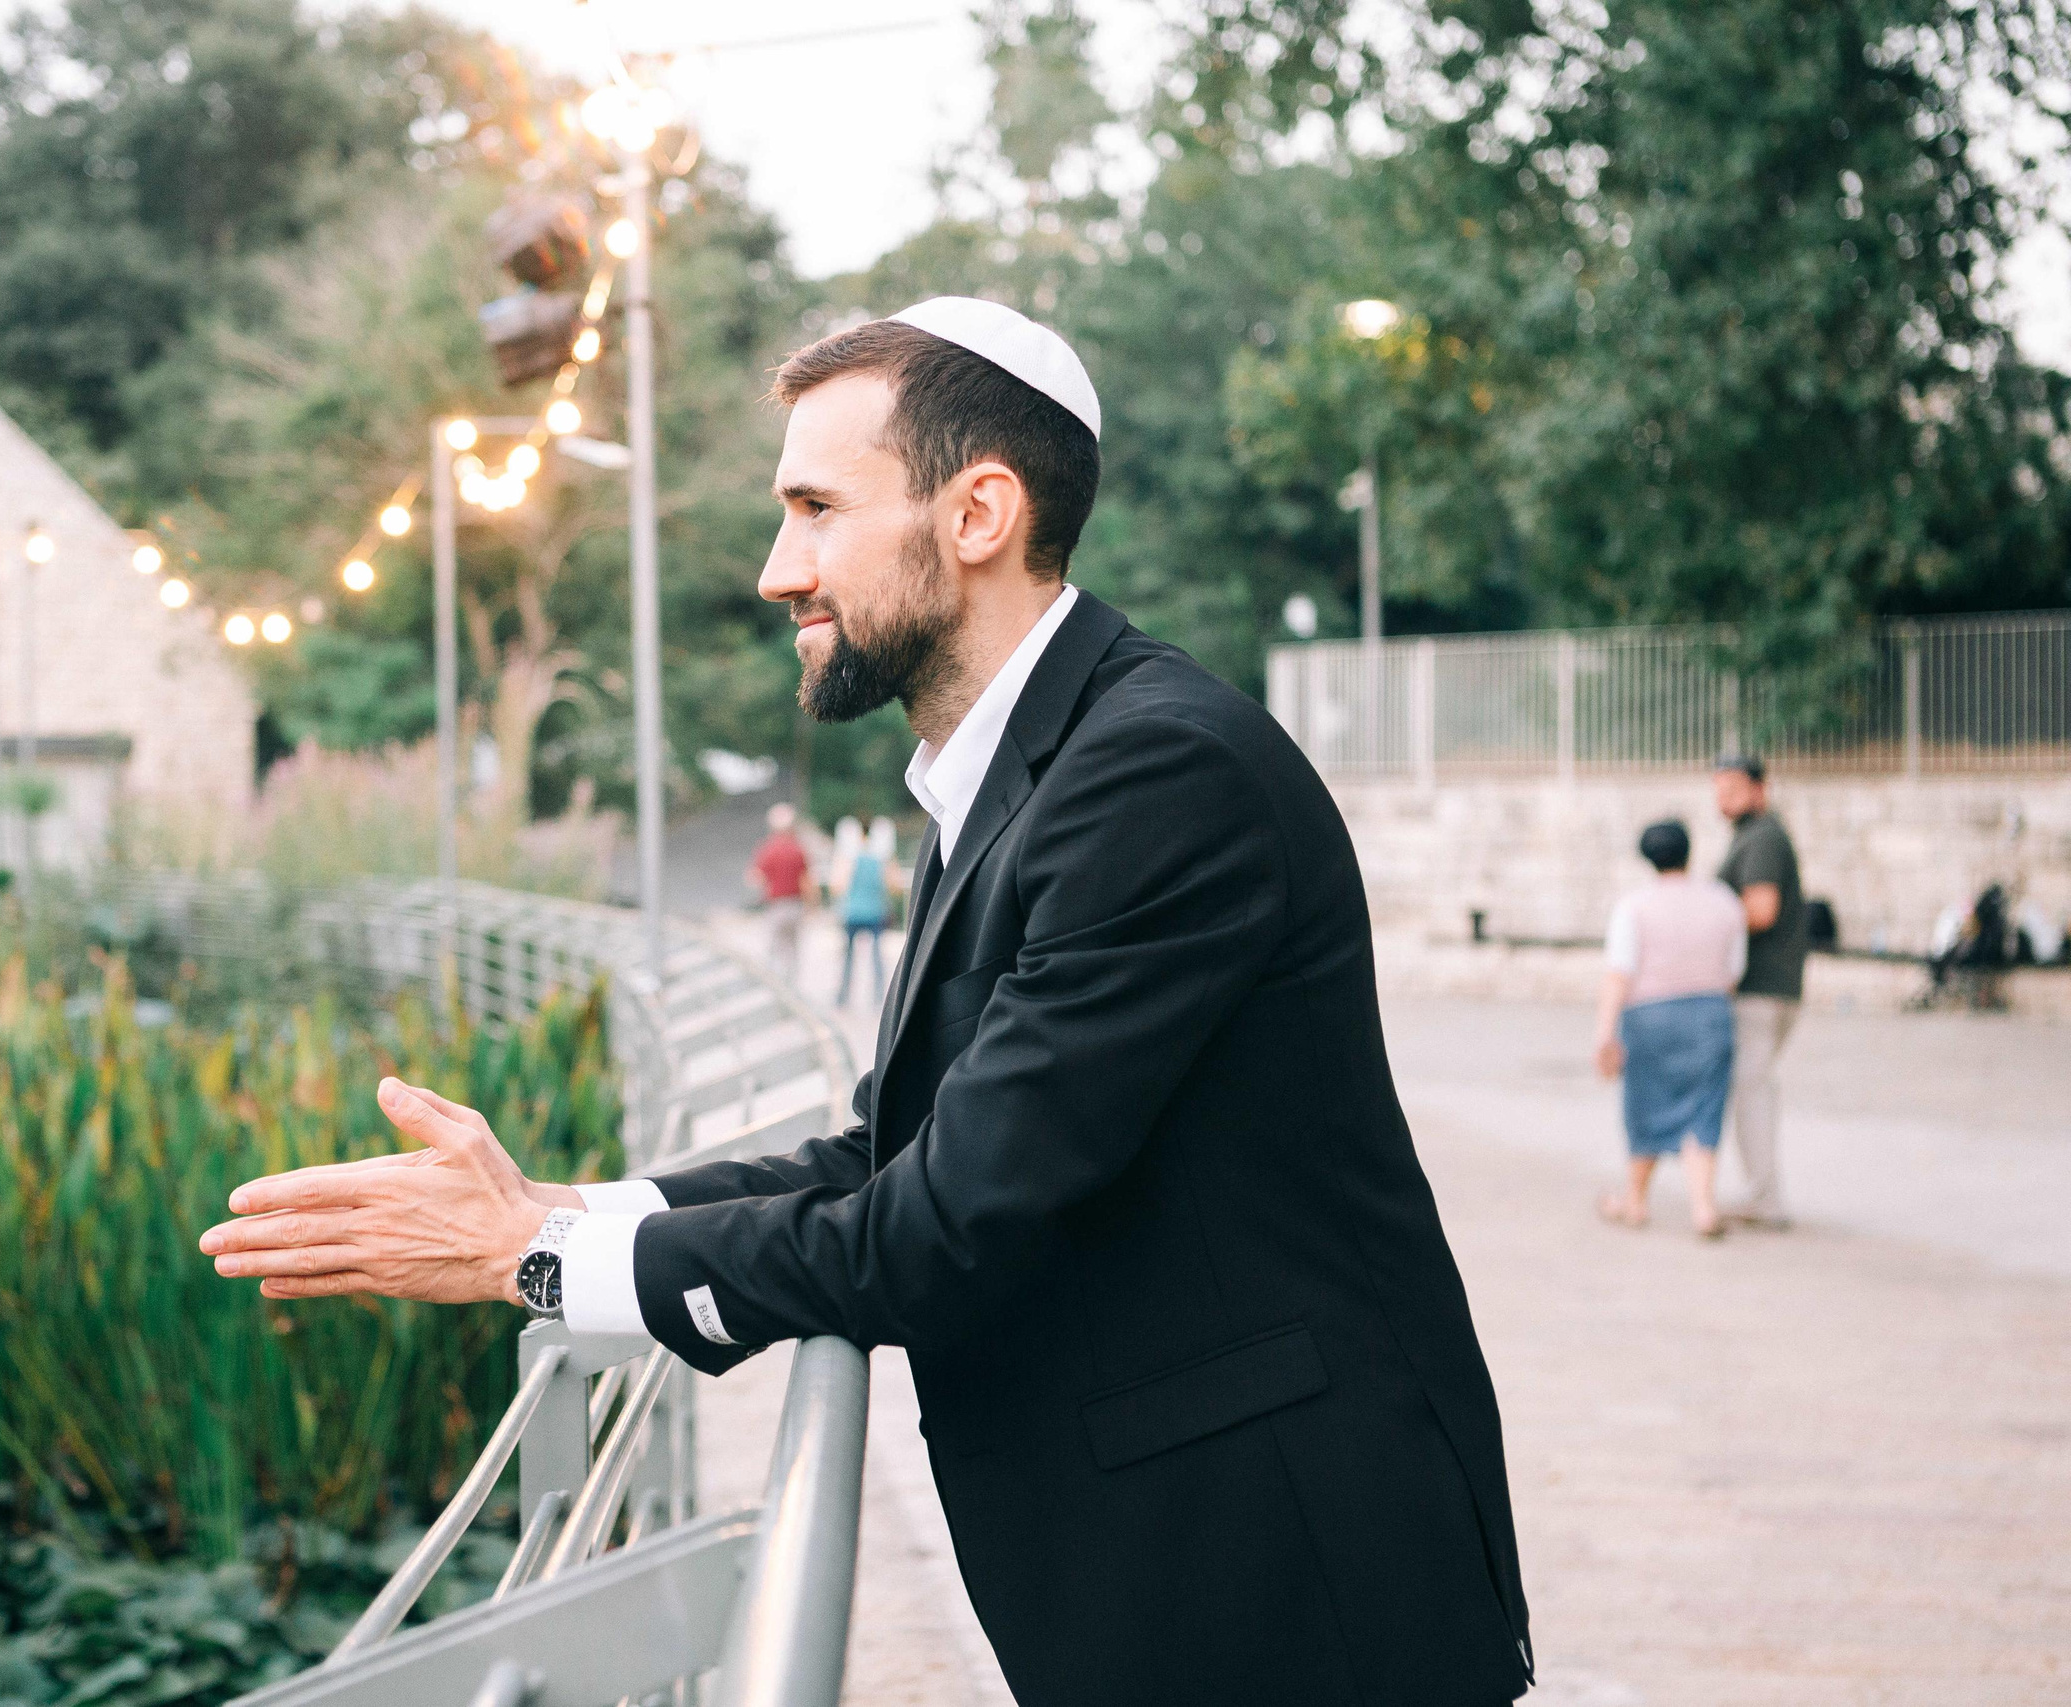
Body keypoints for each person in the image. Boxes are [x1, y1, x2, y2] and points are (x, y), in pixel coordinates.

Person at [200, 297, 1533, 1705]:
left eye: (817, 507)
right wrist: (571, 1211)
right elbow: (893, 1150)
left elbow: (941, 1230)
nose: (781, 569)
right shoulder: (1033, 768)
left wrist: (527, 1263)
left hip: (1289, 1591)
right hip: (1185, 1576)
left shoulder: (1157, 777)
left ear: (978, 513)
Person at [1594, 820, 1746, 1240]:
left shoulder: (1634, 907)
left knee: (1646, 1106)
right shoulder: (1724, 901)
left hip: (1650, 1018)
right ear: (1689, 851)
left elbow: (1618, 974)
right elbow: (1734, 971)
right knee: (1704, 1110)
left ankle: (1636, 1202)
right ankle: (1703, 1208)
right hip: (1711, 1015)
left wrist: (1605, 1034)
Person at [1713, 755, 1807, 1230]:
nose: (1722, 797)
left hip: (1760, 988)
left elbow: (1761, 909)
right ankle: (1762, 1193)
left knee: (1751, 1092)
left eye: (1732, 787)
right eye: (1718, 787)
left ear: (1759, 789)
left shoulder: (1763, 837)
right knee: (1753, 1090)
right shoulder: (1754, 836)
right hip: (1768, 988)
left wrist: (1706, 918)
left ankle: (1765, 1200)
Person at [746, 800, 810, 980]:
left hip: (776, 905)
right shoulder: (798, 849)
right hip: (795, 904)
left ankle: (775, 989)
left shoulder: (768, 849)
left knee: (773, 951)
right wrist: (812, 905)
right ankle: (791, 987)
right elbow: (806, 880)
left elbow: (754, 877)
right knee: (792, 951)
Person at [835, 815, 893, 1006]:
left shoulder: (848, 858)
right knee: (877, 958)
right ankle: (879, 998)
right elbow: (892, 884)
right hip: (875, 912)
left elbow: (839, 886)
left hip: (852, 913)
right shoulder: (880, 859)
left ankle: (842, 997)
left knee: (848, 958)